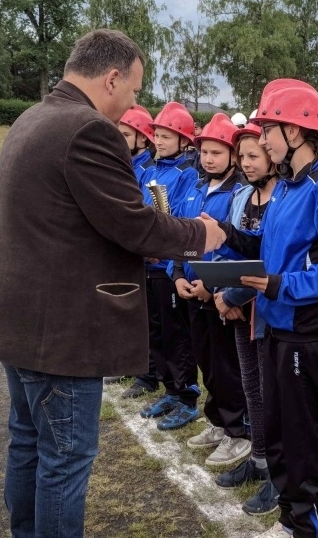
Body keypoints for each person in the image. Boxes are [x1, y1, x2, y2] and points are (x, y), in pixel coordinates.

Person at [0, 29, 225, 538]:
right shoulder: (87, 130)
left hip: (16, 320)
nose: (133, 103)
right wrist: (201, 233)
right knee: (64, 459)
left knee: (27, 443)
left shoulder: (33, 118)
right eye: (133, 89)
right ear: (110, 78)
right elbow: (133, 224)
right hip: (59, 334)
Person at [218, 78, 318, 538]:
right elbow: (271, 248)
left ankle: (306, 521)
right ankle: (289, 514)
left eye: (268, 130)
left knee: (301, 435)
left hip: (307, 332)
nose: (260, 140)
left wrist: (282, 285)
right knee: (278, 429)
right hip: (275, 327)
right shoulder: (285, 187)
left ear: (295, 132)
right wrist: (226, 235)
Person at [170, 112, 250, 467]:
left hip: (216, 295)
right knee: (206, 362)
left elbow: (234, 247)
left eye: (217, 153)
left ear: (232, 156)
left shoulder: (237, 194)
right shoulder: (198, 189)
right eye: (204, 152)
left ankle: (238, 431)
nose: (208, 159)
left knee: (225, 366)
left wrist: (211, 284)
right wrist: (177, 273)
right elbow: (184, 237)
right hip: (191, 290)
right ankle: (217, 422)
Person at [213, 123, 280, 515]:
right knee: (251, 387)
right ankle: (258, 458)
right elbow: (235, 252)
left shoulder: (283, 199)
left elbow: (270, 262)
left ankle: (277, 470)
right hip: (239, 309)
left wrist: (232, 294)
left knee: (272, 393)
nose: (245, 163)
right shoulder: (243, 197)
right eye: (243, 157)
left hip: (266, 312)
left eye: (254, 155)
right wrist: (224, 294)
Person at [128, 103, 203, 429]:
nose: (159, 140)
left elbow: (182, 222)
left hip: (168, 268)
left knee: (177, 335)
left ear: (184, 139)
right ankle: (170, 388)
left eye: (167, 136)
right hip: (146, 264)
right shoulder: (148, 170)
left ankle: (187, 395)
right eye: (157, 135)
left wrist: (167, 252)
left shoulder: (187, 174)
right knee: (156, 330)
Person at [118, 104, 155, 177]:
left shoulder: (151, 171)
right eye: (119, 134)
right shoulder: (121, 164)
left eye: (126, 135)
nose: (120, 139)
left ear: (143, 137)